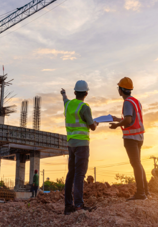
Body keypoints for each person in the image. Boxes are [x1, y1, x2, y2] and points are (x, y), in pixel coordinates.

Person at [62, 80, 98, 215]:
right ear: (86, 93)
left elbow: (65, 100)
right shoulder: (84, 107)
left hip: (71, 144)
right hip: (82, 144)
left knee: (71, 174)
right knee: (79, 175)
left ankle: (68, 206)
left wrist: (64, 94)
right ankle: (78, 205)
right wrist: (95, 123)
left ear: (75, 92)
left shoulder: (68, 104)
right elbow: (92, 126)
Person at [109, 77, 149, 201]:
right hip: (139, 136)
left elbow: (128, 120)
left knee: (135, 164)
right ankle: (146, 192)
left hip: (131, 138)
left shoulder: (127, 102)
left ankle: (141, 194)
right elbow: (131, 118)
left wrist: (116, 125)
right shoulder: (136, 101)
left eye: (118, 88)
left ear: (121, 89)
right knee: (138, 164)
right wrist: (117, 119)